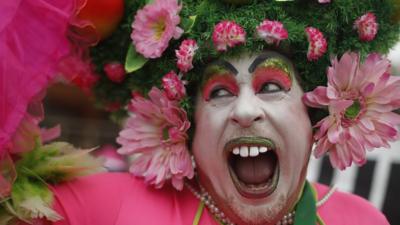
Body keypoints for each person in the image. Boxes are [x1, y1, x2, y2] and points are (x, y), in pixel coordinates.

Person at [1, 0, 399, 225]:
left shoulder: (360, 221)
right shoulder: (106, 206)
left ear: (315, 114)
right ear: (187, 126)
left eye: (272, 87)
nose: (244, 110)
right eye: (220, 92)